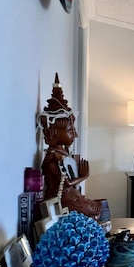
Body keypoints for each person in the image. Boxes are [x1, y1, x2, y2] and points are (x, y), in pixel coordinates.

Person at [37, 73, 103, 220]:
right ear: (53, 132)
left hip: (70, 195)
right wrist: (84, 176)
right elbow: (65, 183)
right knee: (95, 210)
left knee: (97, 208)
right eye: (70, 130)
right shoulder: (53, 157)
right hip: (60, 199)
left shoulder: (62, 152)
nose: (75, 135)